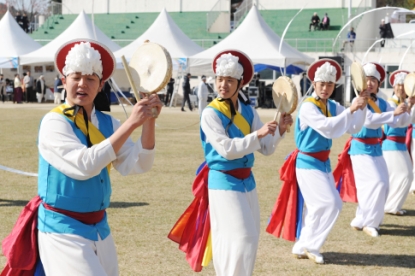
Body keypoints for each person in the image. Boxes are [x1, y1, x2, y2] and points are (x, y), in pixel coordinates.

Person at [0, 39, 162, 275]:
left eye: (90, 79)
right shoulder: (54, 122)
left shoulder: (108, 123)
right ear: (64, 81)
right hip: (61, 229)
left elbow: (137, 164)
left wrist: (149, 123)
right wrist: (131, 123)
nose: (82, 84)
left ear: (101, 85)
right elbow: (84, 165)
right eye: (76, 77)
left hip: (99, 227)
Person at [169, 50, 293, 275]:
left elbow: (265, 148)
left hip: (248, 182)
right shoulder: (210, 114)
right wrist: (259, 135)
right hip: (223, 181)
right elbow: (226, 150)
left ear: (240, 83)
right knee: (240, 238)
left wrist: (280, 130)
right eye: (219, 79)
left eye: (229, 80)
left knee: (250, 238)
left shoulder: (248, 110)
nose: (223, 84)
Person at [267, 60, 368, 264]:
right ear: (313, 83)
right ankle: (310, 246)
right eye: (321, 83)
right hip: (307, 163)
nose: (325, 88)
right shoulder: (307, 107)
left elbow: (354, 127)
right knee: (332, 204)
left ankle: (303, 245)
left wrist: (362, 106)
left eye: (329, 85)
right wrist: (351, 110)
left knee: (318, 207)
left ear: (334, 86)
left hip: (322, 163)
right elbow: (327, 127)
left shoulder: (332, 105)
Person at [333, 62, 411, 238]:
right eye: (367, 80)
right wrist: (395, 114)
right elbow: (368, 120)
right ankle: (370, 223)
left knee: (382, 185)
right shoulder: (358, 100)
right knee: (377, 183)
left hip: (376, 148)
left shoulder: (383, 102)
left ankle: (361, 219)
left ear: (378, 83)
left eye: (373, 81)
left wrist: (407, 107)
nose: (370, 83)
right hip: (360, 147)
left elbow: (400, 122)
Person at [383, 70, 415, 215]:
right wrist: (408, 107)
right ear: (394, 86)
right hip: (391, 144)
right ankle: (390, 205)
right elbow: (397, 123)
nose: (401, 88)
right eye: (398, 85)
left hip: (400, 144)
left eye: (403, 86)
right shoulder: (390, 103)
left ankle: (393, 205)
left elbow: (409, 121)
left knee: (406, 175)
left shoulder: (403, 102)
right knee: (403, 174)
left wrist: (410, 106)